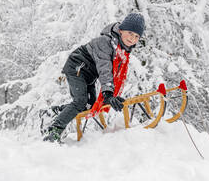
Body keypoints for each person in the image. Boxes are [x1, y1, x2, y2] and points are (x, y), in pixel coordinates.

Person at [43, 13, 145, 142]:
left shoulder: (121, 49)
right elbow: (105, 68)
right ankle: (54, 130)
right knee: (80, 101)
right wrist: (108, 94)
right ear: (121, 30)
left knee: (89, 105)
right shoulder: (105, 42)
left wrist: (112, 95)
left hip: (89, 74)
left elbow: (115, 75)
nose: (132, 38)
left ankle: (54, 112)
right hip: (77, 67)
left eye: (136, 36)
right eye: (130, 33)